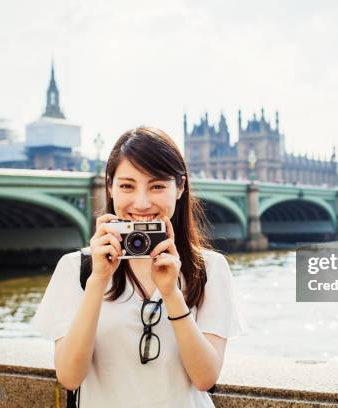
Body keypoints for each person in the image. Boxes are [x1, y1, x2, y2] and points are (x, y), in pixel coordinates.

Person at [31, 127, 245, 407]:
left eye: (157, 186)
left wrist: (172, 295)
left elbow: (205, 378)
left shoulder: (209, 269)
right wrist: (97, 281)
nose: (141, 203)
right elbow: (69, 377)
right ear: (110, 187)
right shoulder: (77, 269)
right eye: (127, 186)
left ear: (180, 187)